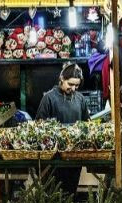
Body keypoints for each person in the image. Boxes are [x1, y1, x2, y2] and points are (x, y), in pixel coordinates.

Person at [36, 62, 89, 195]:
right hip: (54, 158)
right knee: (53, 194)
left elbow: (86, 124)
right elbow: (39, 125)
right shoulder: (48, 98)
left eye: (76, 85)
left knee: (70, 192)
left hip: (74, 155)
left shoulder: (80, 99)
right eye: (70, 84)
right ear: (61, 79)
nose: (74, 88)